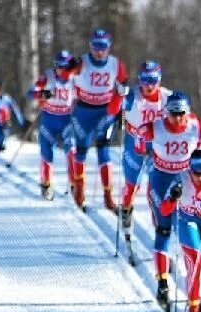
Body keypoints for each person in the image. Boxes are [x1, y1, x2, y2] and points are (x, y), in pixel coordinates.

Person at [136, 91, 201, 311]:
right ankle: (162, 281)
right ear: (166, 112)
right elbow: (139, 143)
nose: (178, 119)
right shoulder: (156, 127)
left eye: (182, 114)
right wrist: (143, 143)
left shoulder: (198, 126)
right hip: (160, 179)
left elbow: (199, 152)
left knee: (191, 226)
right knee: (164, 229)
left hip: (186, 181)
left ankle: (196, 289)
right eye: (173, 114)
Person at [161, 148, 201, 312]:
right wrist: (172, 197)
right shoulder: (180, 179)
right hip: (188, 222)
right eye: (197, 174)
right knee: (195, 263)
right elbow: (164, 210)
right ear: (190, 169)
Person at [70, 28, 128, 211]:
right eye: (96, 46)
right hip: (83, 111)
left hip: (105, 111)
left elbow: (123, 87)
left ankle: (108, 196)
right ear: (90, 46)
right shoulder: (82, 62)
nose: (100, 50)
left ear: (109, 46)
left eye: (103, 46)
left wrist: (117, 109)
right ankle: (79, 189)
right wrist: (68, 67)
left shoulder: (116, 64)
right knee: (81, 150)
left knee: (104, 151)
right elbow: (64, 75)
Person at [120, 61, 170, 234]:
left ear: (159, 79)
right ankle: (125, 210)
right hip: (134, 142)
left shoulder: (167, 98)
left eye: (153, 80)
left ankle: (158, 224)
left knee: (154, 188)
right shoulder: (133, 96)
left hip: (157, 145)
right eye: (145, 80)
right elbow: (113, 110)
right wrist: (119, 97)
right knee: (132, 184)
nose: (149, 85)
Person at [29, 51, 78, 200]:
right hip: (49, 118)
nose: (60, 69)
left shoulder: (75, 78)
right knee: (46, 150)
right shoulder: (48, 76)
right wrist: (42, 94)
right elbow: (31, 92)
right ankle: (46, 184)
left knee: (71, 150)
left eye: (64, 66)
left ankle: (74, 183)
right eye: (58, 66)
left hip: (67, 119)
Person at [0, 79, 26, 152]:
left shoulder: (7, 98)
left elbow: (16, 109)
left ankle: (1, 145)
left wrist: (21, 121)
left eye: (0, 88)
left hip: (4, 121)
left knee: (3, 133)